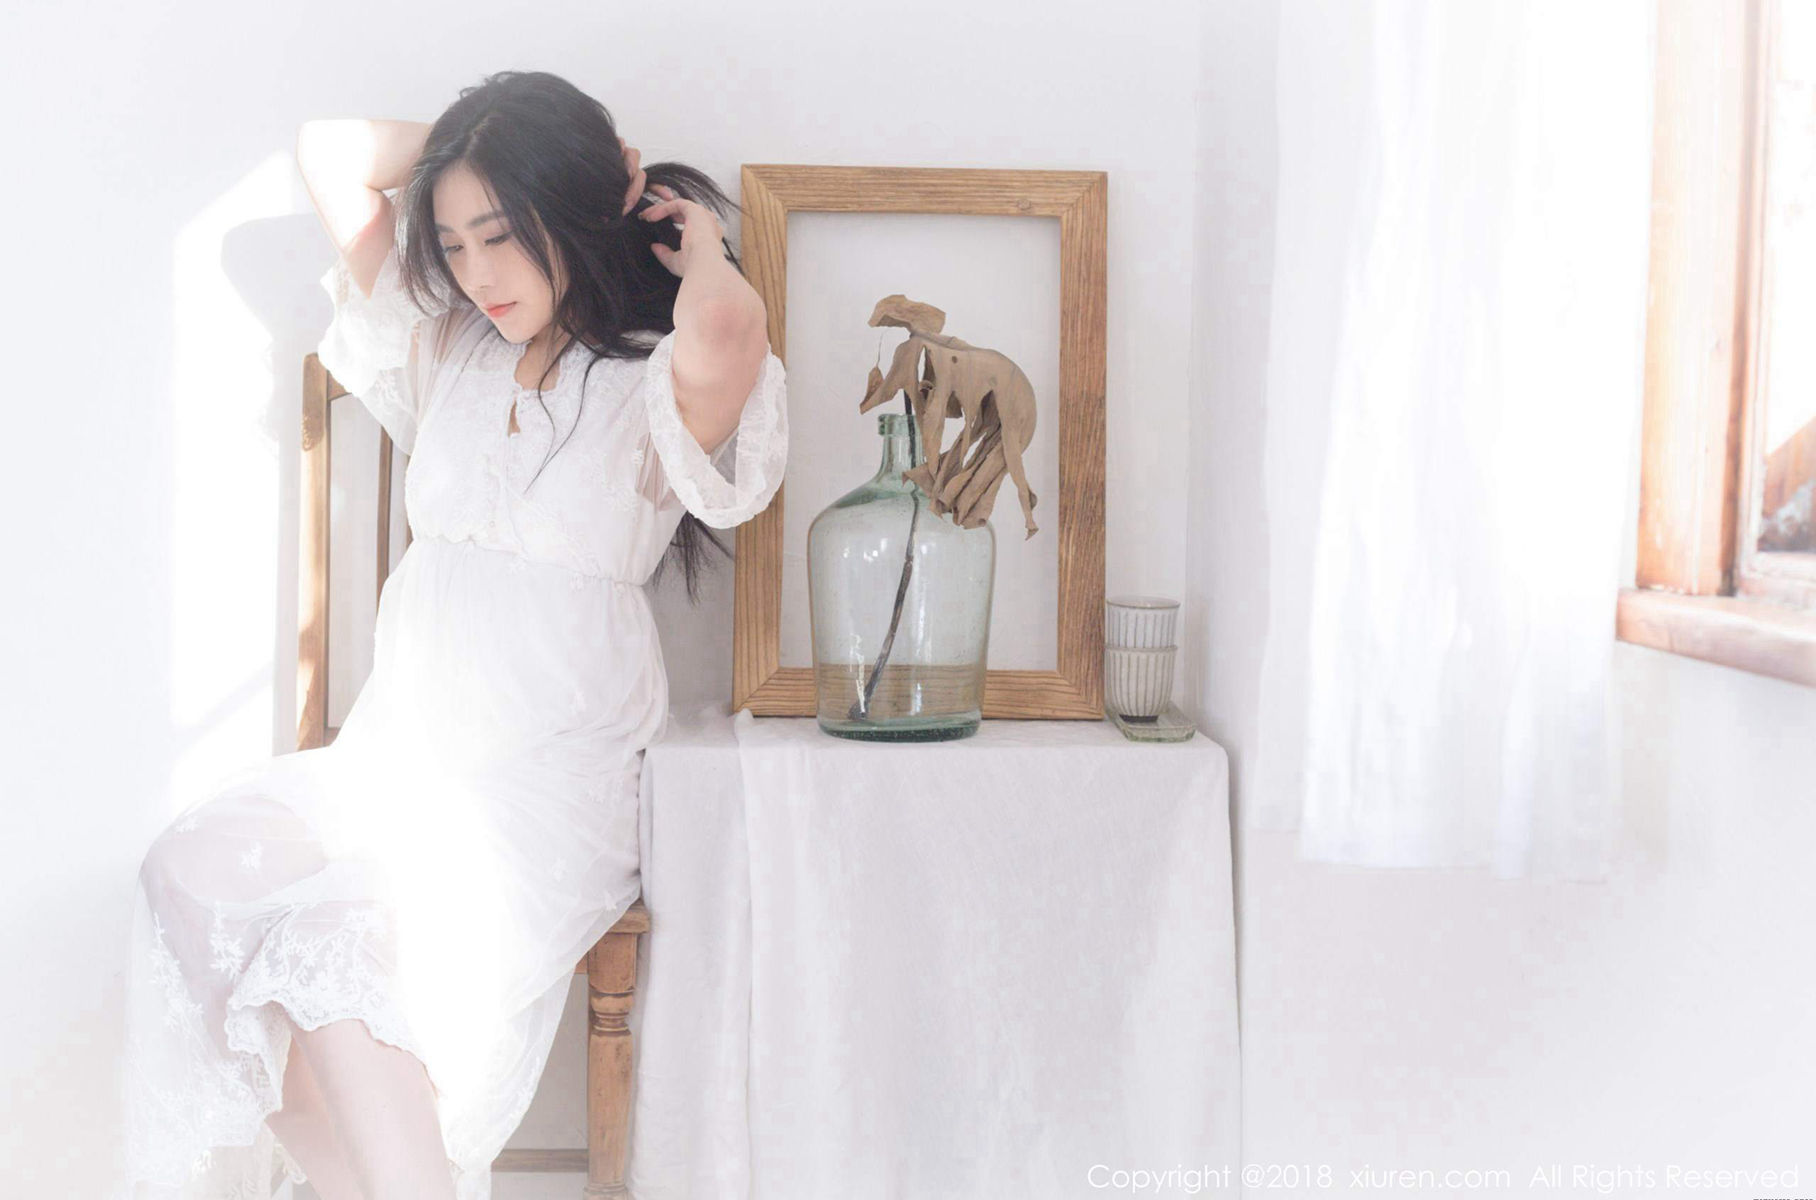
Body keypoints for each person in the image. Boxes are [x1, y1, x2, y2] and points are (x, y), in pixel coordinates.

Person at [119, 70, 787, 1199]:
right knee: (188, 874)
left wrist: (698, 242)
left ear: (576, 211)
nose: (478, 273)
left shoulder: (651, 384)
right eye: (455, 241)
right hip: (399, 759)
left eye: (504, 235)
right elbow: (331, 151)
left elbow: (726, 325)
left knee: (332, 937)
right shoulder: (448, 349)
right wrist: (481, 148)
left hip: (550, 778)